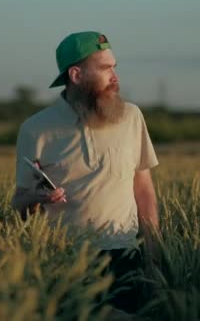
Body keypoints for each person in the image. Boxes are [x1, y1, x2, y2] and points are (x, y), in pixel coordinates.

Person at [11, 31, 160, 315]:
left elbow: (144, 190)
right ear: (76, 75)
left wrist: (153, 256)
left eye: (114, 67)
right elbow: (18, 202)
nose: (115, 76)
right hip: (64, 260)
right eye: (105, 68)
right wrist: (36, 197)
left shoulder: (131, 117)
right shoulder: (35, 129)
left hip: (124, 256)